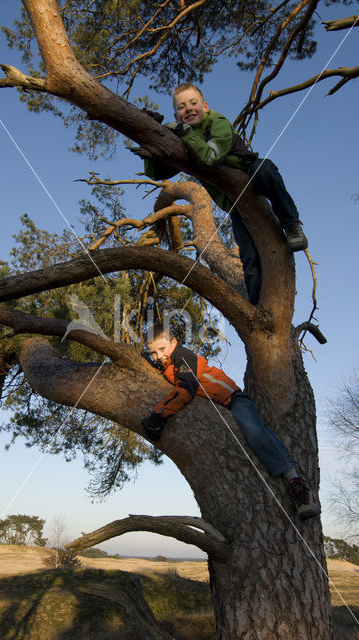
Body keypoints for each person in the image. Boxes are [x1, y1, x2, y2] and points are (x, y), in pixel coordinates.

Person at [134, 83, 308, 305]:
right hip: (235, 205)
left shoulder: (218, 122)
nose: (188, 109)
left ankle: (292, 224)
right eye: (182, 107)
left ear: (205, 106)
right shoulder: (184, 138)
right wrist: (148, 136)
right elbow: (157, 172)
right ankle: (255, 308)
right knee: (249, 258)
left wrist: (184, 134)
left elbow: (210, 158)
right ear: (176, 116)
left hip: (250, 176)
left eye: (193, 103)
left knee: (264, 169)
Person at [142, 322, 320, 521]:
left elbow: (186, 389)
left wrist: (158, 416)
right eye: (153, 353)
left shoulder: (184, 357)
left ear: (174, 343)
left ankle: (295, 482)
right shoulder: (165, 365)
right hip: (217, 407)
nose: (158, 356)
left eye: (162, 349)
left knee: (254, 431)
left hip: (234, 400)